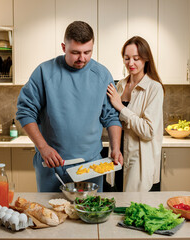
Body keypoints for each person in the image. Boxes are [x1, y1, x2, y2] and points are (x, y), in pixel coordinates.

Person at [16, 21, 123, 192]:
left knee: (90, 216)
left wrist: (115, 148)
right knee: (51, 216)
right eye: (75, 52)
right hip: (52, 164)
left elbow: (111, 116)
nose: (82, 58)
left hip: (91, 167)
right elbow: (25, 112)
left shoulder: (102, 75)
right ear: (63, 47)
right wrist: (43, 147)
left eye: (87, 52)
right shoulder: (44, 72)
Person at [106, 36, 164, 192]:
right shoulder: (120, 85)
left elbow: (148, 131)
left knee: (133, 207)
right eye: (127, 58)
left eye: (136, 59)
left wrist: (121, 107)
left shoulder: (154, 88)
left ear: (146, 59)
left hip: (139, 161)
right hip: (117, 155)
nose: (130, 63)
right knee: (116, 205)